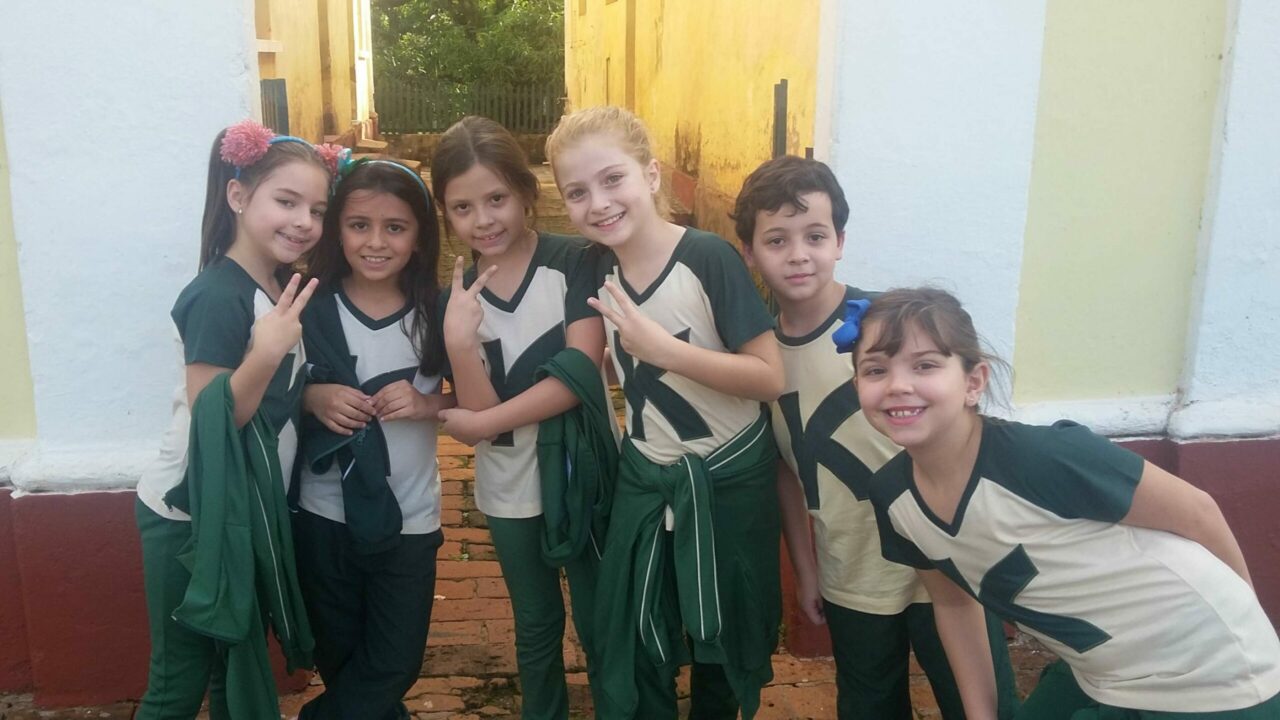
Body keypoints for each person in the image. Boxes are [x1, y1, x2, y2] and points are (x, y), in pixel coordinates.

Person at [853, 287, 1280, 719]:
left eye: (925, 365)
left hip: (1215, 678)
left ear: (973, 382)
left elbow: (1199, 513)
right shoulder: (893, 496)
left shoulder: (1045, 456)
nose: (897, 385)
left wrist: (1249, 626)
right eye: (875, 370)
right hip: (1102, 673)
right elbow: (953, 603)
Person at [734, 155, 1019, 719]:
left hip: (944, 554)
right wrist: (807, 570)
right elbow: (785, 471)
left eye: (815, 235)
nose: (798, 254)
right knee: (869, 705)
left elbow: (960, 424)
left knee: (982, 703)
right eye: (776, 240)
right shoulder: (757, 360)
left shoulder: (885, 327)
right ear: (749, 252)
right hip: (853, 569)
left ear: (840, 241)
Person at [546, 105, 786, 720]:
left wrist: (665, 351)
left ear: (651, 175)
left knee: (723, 637)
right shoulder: (593, 266)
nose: (599, 203)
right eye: (577, 192)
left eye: (613, 179)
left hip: (727, 479)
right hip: (646, 475)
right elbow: (585, 361)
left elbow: (768, 376)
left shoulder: (707, 257)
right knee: (635, 626)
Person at [134, 120, 335, 718]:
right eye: (286, 201)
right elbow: (212, 417)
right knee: (179, 680)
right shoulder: (219, 294)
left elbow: (274, 396)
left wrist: (310, 394)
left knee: (232, 669)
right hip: (190, 513)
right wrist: (267, 352)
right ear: (238, 195)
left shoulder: (276, 284)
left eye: (317, 209)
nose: (304, 221)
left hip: (240, 507)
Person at [434, 115, 608, 720]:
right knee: (535, 621)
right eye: (463, 208)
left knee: (599, 617)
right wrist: (459, 343)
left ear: (526, 193)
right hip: (507, 484)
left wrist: (481, 426)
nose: (483, 219)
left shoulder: (576, 261)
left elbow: (580, 372)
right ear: (445, 214)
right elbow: (480, 408)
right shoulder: (453, 299)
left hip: (584, 473)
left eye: (497, 199)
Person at [292, 157, 452, 718]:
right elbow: (270, 388)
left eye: (395, 227)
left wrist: (429, 403)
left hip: (409, 516)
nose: (376, 242)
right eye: (359, 225)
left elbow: (481, 400)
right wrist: (312, 398)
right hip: (324, 514)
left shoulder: (438, 313)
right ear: (336, 229)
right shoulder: (309, 308)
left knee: (394, 663)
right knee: (339, 655)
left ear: (420, 236)